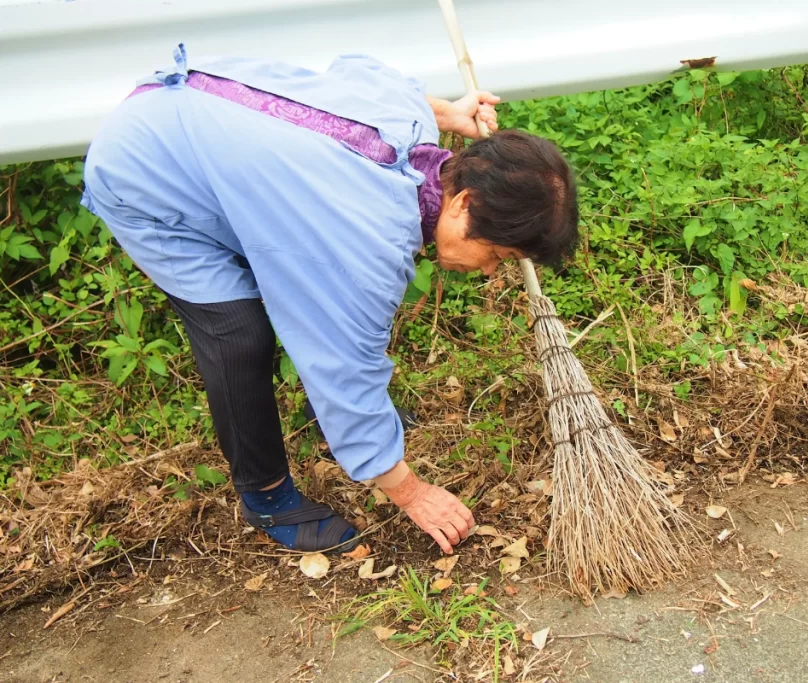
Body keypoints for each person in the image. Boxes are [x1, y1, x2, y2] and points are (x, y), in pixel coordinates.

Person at [80, 44, 579, 556]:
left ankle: (320, 432)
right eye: (495, 252)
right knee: (238, 333)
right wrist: (411, 492)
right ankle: (266, 495)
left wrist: (448, 113)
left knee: (293, 275)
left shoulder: (407, 117)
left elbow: (367, 74)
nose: (490, 270)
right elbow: (344, 370)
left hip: (201, 122)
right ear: (465, 201)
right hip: (147, 172)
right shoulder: (364, 245)